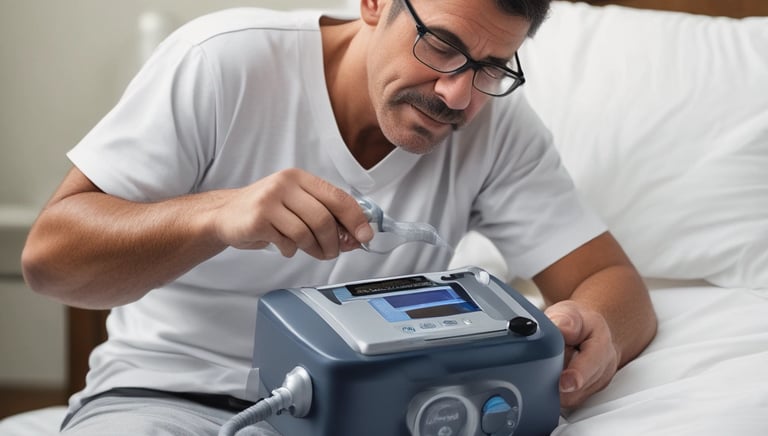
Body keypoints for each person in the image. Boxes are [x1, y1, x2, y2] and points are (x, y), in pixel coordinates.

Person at [22, 0, 657, 434]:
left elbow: (611, 281)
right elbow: (50, 264)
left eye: (492, 67)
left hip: (366, 414)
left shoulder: (498, 129)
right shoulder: (223, 62)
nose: (457, 95)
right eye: (441, 46)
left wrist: (597, 330)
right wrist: (218, 214)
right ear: (375, 2)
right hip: (164, 401)